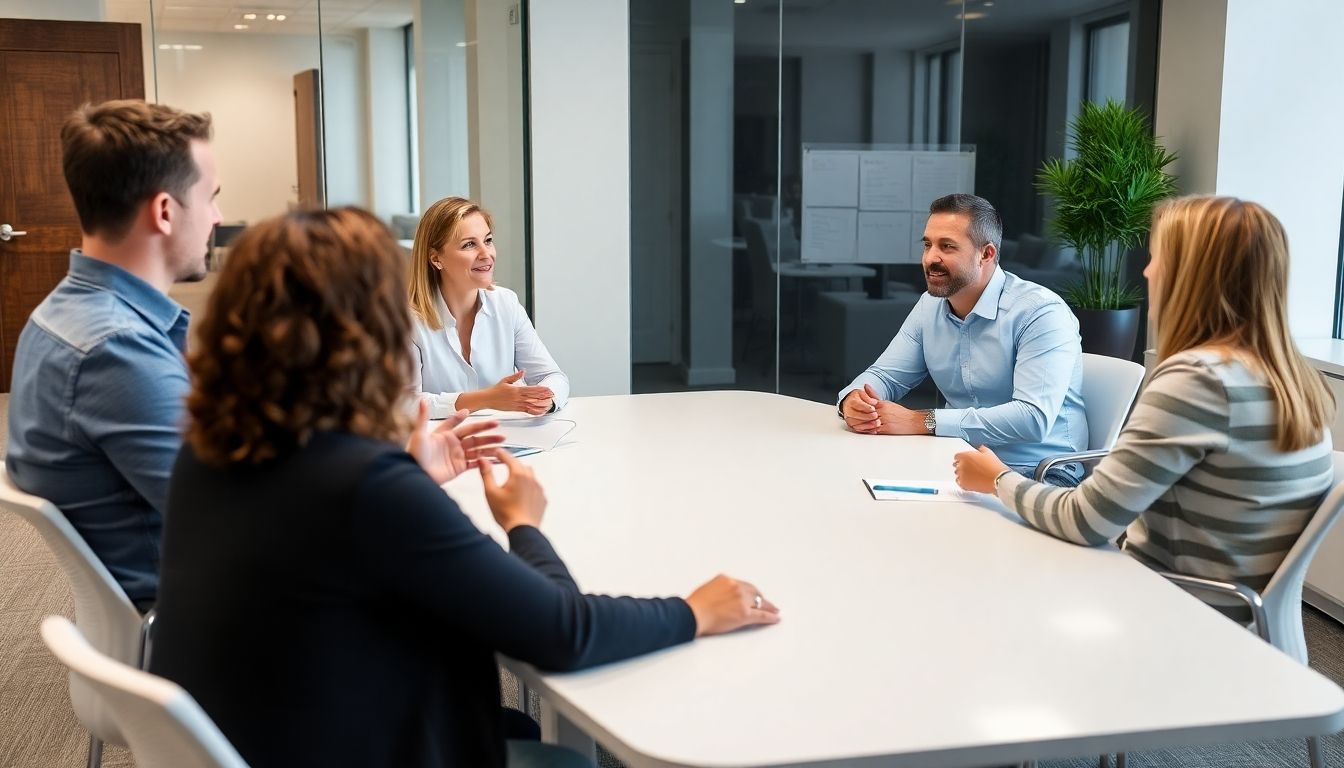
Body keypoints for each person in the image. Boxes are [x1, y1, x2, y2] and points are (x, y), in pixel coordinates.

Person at [149, 208, 780, 768]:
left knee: (517, 723)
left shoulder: (210, 455)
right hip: (357, 741)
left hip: (271, 733)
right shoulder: (367, 489)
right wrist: (690, 608)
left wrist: (409, 475)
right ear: (362, 335)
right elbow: (562, 633)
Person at [953, 195, 1335, 622]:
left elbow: (1086, 520)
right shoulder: (1293, 379)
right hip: (1238, 619)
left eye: (1159, 258)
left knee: (977, 595)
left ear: (1195, 276)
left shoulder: (1199, 382)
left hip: (1172, 618)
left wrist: (998, 479)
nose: (1148, 271)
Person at [5, 100, 219, 611]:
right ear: (165, 211)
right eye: (211, 198)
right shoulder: (115, 350)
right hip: (203, 617)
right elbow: (238, 518)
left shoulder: (62, 315)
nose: (217, 217)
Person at [838, 193, 1088, 485]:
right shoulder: (929, 306)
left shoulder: (1040, 313)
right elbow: (885, 376)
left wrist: (922, 421)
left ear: (986, 254)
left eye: (947, 246)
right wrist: (855, 401)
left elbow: (1032, 418)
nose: (931, 258)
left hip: (1037, 472)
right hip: (956, 459)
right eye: (928, 245)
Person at [408, 196, 568, 417]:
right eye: (469, 244)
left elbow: (552, 376)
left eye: (488, 240)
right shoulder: (407, 321)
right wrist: (487, 399)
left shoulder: (506, 304)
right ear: (436, 258)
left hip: (510, 442)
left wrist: (547, 399)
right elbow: (403, 404)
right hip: (442, 445)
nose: (487, 254)